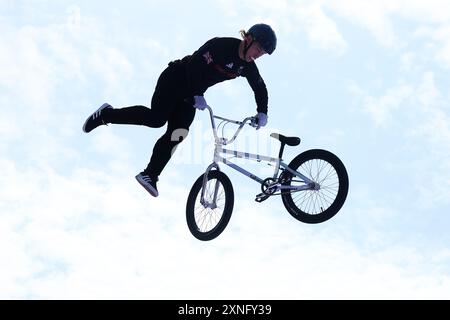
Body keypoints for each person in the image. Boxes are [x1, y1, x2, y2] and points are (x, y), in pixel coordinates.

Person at [82, 23, 276, 198]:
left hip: (191, 96)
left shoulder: (248, 67)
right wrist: (197, 92)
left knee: (179, 133)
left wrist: (262, 112)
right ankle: (106, 114)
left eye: (262, 53)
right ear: (248, 38)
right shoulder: (221, 45)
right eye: (258, 48)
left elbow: (260, 87)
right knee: (156, 119)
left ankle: (150, 174)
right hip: (175, 79)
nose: (258, 55)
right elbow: (194, 65)